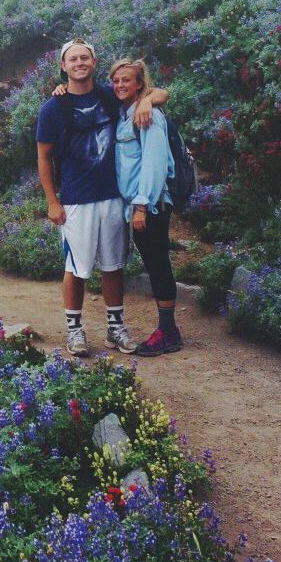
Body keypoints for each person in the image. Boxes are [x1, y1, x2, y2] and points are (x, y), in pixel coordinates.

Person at [35, 38, 166, 356]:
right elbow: (43, 157)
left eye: (85, 58)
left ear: (94, 63)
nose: (79, 63)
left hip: (112, 196)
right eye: (73, 59)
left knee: (112, 265)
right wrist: (52, 201)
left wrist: (149, 101)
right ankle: (75, 330)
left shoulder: (110, 96)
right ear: (63, 66)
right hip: (76, 199)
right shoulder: (53, 108)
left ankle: (115, 328)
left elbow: (158, 92)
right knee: (76, 268)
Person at [109, 59, 183, 355]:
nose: (119, 86)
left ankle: (168, 332)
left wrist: (140, 206)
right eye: (116, 81)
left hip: (150, 205)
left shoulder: (148, 115)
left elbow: (154, 165)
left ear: (139, 84)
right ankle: (168, 329)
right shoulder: (125, 114)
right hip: (138, 206)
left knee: (158, 264)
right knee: (154, 264)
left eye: (126, 80)